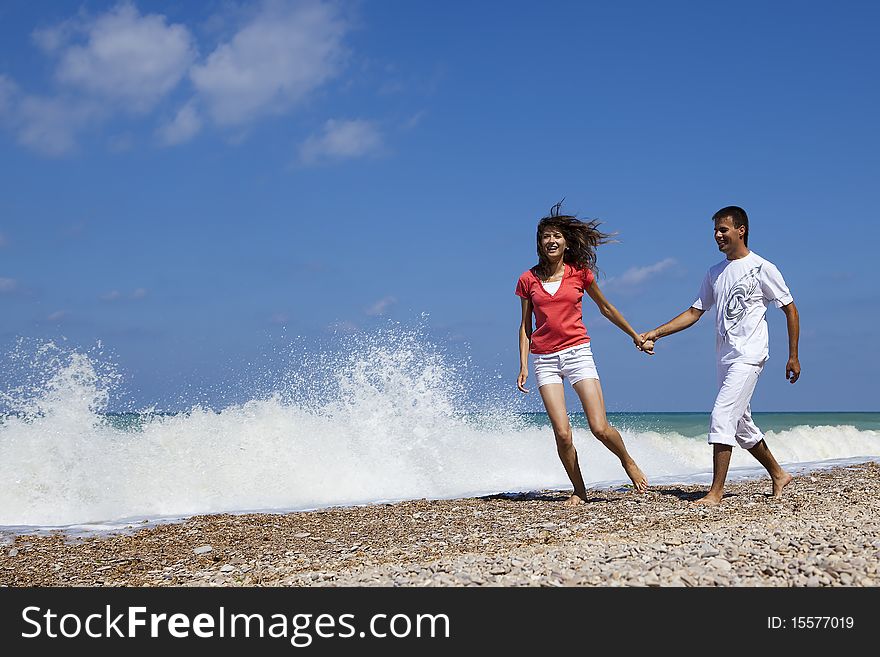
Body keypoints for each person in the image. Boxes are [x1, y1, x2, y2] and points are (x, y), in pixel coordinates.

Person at [640, 205, 800, 505]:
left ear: (741, 230)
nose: (717, 235)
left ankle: (716, 491)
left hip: (750, 355)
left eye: (723, 230)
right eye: (715, 231)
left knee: (722, 416)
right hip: (725, 358)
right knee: (740, 426)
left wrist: (793, 355)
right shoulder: (714, 273)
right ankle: (779, 474)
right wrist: (655, 333)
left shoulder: (763, 268)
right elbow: (693, 312)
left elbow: (790, 308)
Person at [516, 201, 651, 506]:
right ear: (539, 243)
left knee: (599, 427)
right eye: (546, 237)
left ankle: (627, 460)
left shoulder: (580, 273)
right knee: (563, 434)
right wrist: (523, 364)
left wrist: (635, 336)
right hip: (545, 360)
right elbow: (525, 325)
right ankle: (579, 489)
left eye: (557, 236)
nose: (551, 241)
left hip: (578, 353)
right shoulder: (528, 279)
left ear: (565, 242)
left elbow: (606, 308)